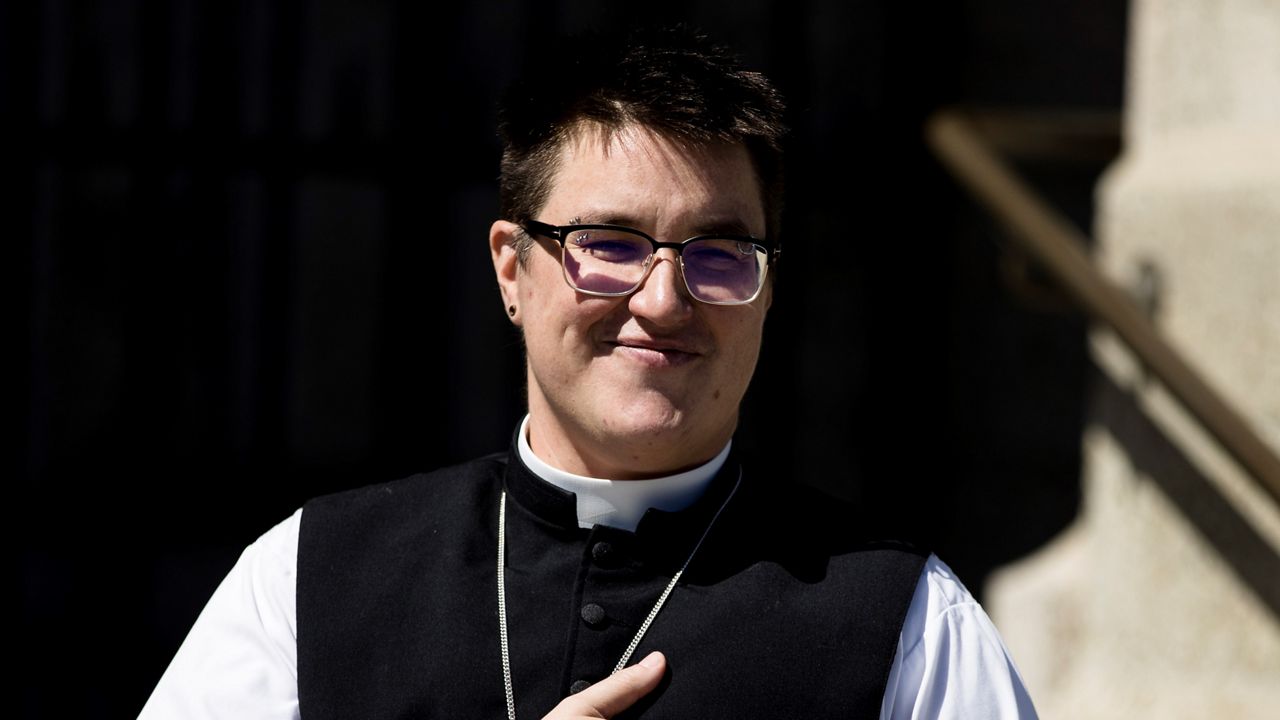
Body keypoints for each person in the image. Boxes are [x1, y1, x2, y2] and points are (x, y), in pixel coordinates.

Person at [139, 26, 1037, 720]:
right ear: (510, 269)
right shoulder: (307, 579)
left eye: (720, 254)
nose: (663, 300)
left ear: (768, 292)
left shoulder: (905, 621)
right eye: (608, 246)